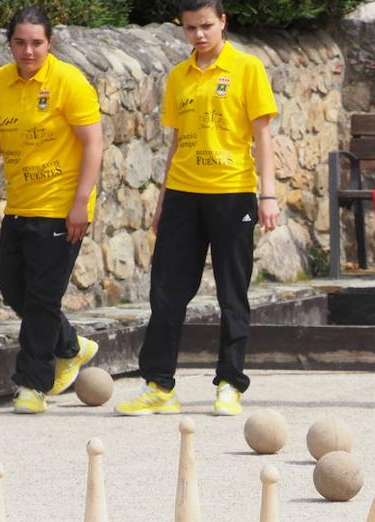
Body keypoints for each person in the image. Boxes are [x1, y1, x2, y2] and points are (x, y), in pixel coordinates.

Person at [116, 0, 278, 417]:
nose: (199, 35)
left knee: (231, 292)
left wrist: (268, 195)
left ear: (223, 22)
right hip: (184, 195)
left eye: (206, 26)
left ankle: (229, 382)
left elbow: (262, 138)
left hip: (233, 192)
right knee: (167, 292)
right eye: (190, 28)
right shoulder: (178, 77)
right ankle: (159, 385)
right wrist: (163, 199)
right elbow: (176, 144)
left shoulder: (248, 69)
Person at [0, 5, 102, 414]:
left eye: (37, 43)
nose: (28, 51)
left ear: (50, 43)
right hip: (20, 205)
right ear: (10, 42)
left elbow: (93, 144)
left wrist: (80, 203)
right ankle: (70, 345)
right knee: (13, 286)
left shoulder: (69, 82)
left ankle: (32, 384)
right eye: (20, 42)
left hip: (63, 207)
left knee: (43, 297)